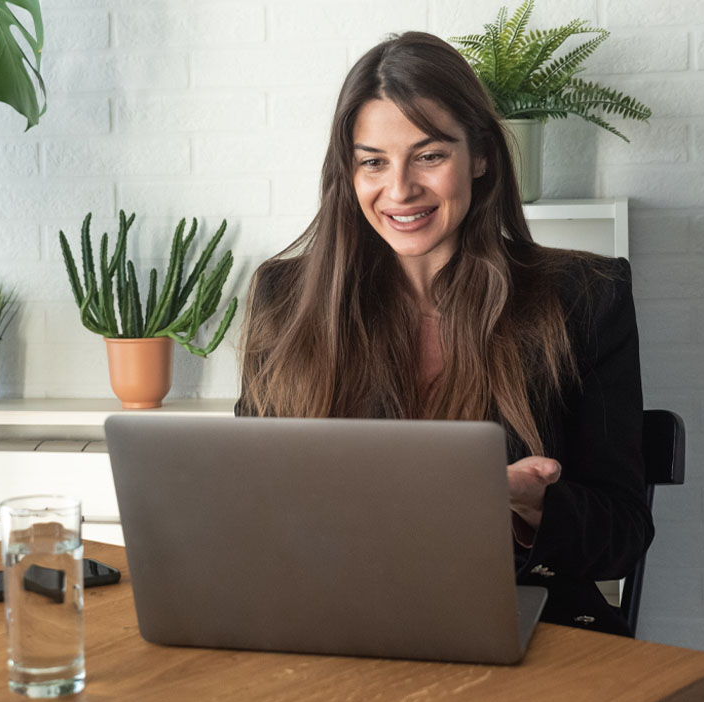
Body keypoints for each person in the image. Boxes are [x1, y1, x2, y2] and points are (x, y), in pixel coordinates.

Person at [235, 32, 652, 638]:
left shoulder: (585, 297)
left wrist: (532, 505)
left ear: (480, 156)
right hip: (336, 618)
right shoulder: (284, 299)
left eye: (429, 156)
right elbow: (251, 501)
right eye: (373, 161)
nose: (400, 189)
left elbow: (623, 533)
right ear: (348, 172)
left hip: (520, 617)